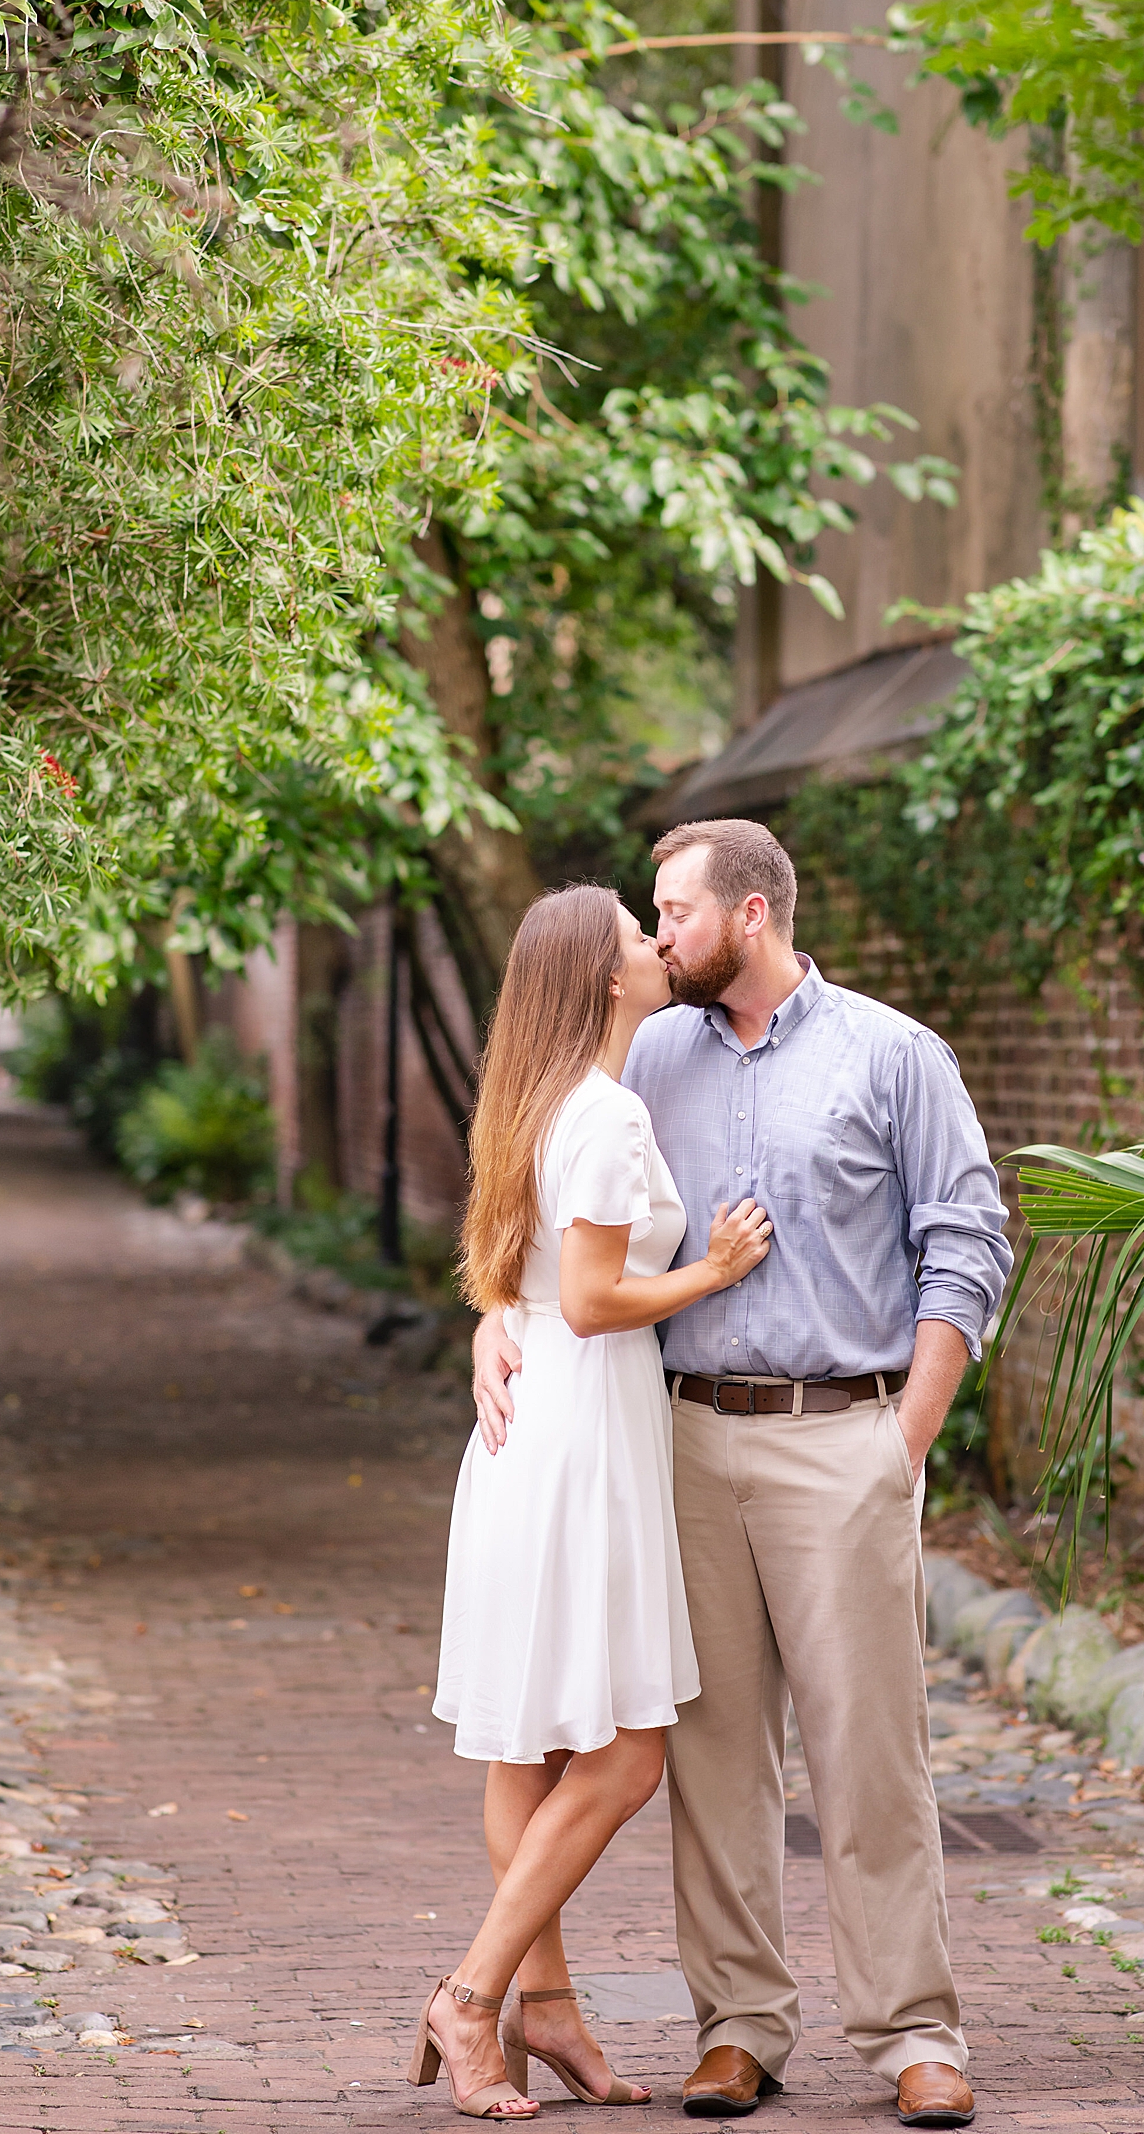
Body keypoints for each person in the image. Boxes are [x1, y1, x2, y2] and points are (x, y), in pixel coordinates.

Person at [473, 820, 1011, 2132]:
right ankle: (739, 2029)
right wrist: (496, 1310)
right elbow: (547, 1190)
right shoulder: (646, 1052)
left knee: (868, 1749)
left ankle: (912, 2035)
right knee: (713, 1755)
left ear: (752, 912)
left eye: (675, 912)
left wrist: (906, 1437)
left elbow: (969, 1236)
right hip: (681, 1441)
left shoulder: (895, 1053)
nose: (658, 938)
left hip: (846, 1435)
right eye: (651, 918)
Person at [414, 883, 774, 2120]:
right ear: (604, 977)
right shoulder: (609, 1113)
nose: (656, 942)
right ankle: (471, 2002)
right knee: (622, 1762)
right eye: (637, 932)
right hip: (579, 1446)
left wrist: (487, 1329)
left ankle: (549, 2009)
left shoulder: (536, 1101)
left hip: (530, 1443)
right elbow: (590, 1298)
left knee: (536, 1744)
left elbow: (513, 1285)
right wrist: (712, 1269)